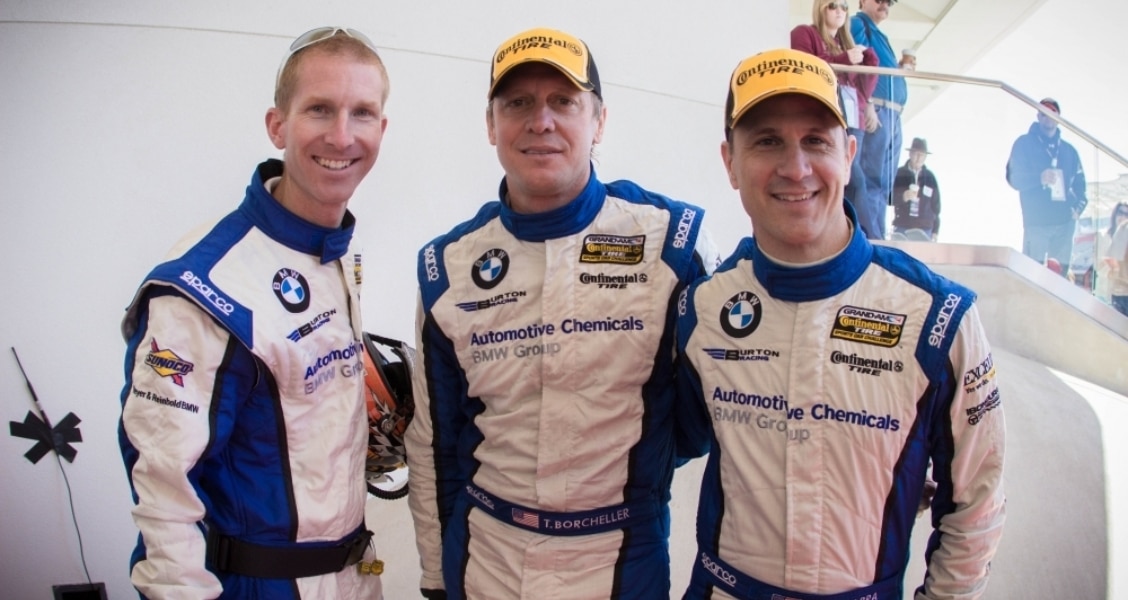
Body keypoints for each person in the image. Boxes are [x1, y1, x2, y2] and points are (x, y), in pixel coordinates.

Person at [676, 48, 1006, 599]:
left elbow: (977, 505)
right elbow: (659, 439)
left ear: (849, 155)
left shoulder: (939, 316)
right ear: (729, 162)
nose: (795, 168)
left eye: (816, 141)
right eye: (767, 141)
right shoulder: (704, 308)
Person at [405, 26, 719, 600]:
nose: (541, 121)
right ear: (491, 124)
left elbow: (699, 418)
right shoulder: (446, 266)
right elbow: (435, 443)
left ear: (599, 121)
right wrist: (434, 578)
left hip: (621, 560)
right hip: (487, 562)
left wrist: (630, 472)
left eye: (564, 102)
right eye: (517, 103)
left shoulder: (670, 242)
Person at [118, 27, 390, 599]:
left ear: (381, 129)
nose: (342, 136)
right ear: (278, 125)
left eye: (362, 113)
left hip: (354, 574)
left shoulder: (339, 247)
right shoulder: (204, 284)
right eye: (320, 109)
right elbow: (163, 495)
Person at [791, 0, 877, 235]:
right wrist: (844, 59)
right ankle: (868, 236)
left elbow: (863, 90)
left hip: (853, 118)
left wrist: (870, 60)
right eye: (833, 5)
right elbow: (805, 69)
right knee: (853, 179)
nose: (840, 11)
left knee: (853, 179)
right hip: (826, 116)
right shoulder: (805, 33)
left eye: (844, 6)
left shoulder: (847, 43)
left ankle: (848, 232)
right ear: (821, 8)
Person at [1006, 97, 1087, 274]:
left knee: (1059, 279)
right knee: (1030, 275)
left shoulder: (1069, 151)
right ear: (1038, 116)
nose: (1048, 117)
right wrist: (1039, 178)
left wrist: (1077, 210)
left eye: (1052, 113)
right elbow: (1013, 178)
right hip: (1036, 223)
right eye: (1043, 113)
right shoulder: (1024, 144)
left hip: (1065, 224)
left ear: (1058, 117)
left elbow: (1081, 185)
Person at [852, 0, 908, 240]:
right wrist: (868, 103)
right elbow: (858, 66)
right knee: (870, 178)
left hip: (892, 114)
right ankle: (869, 237)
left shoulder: (879, 35)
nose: (885, 4)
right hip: (878, 109)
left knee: (884, 183)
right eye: (879, 0)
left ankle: (877, 235)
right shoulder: (858, 24)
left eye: (889, 2)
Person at [891, 137, 941, 241]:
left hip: (925, 229)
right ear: (910, 154)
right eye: (916, 154)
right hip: (902, 226)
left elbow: (936, 207)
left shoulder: (930, 177)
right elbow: (887, 198)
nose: (919, 158)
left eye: (922, 155)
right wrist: (903, 197)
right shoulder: (899, 174)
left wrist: (935, 231)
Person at [1105, 202, 1128, 316]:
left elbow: (1112, 261)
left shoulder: (1123, 228)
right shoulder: (1124, 228)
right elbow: (1113, 261)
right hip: (1122, 293)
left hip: (1120, 293)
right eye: (1120, 213)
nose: (1123, 216)